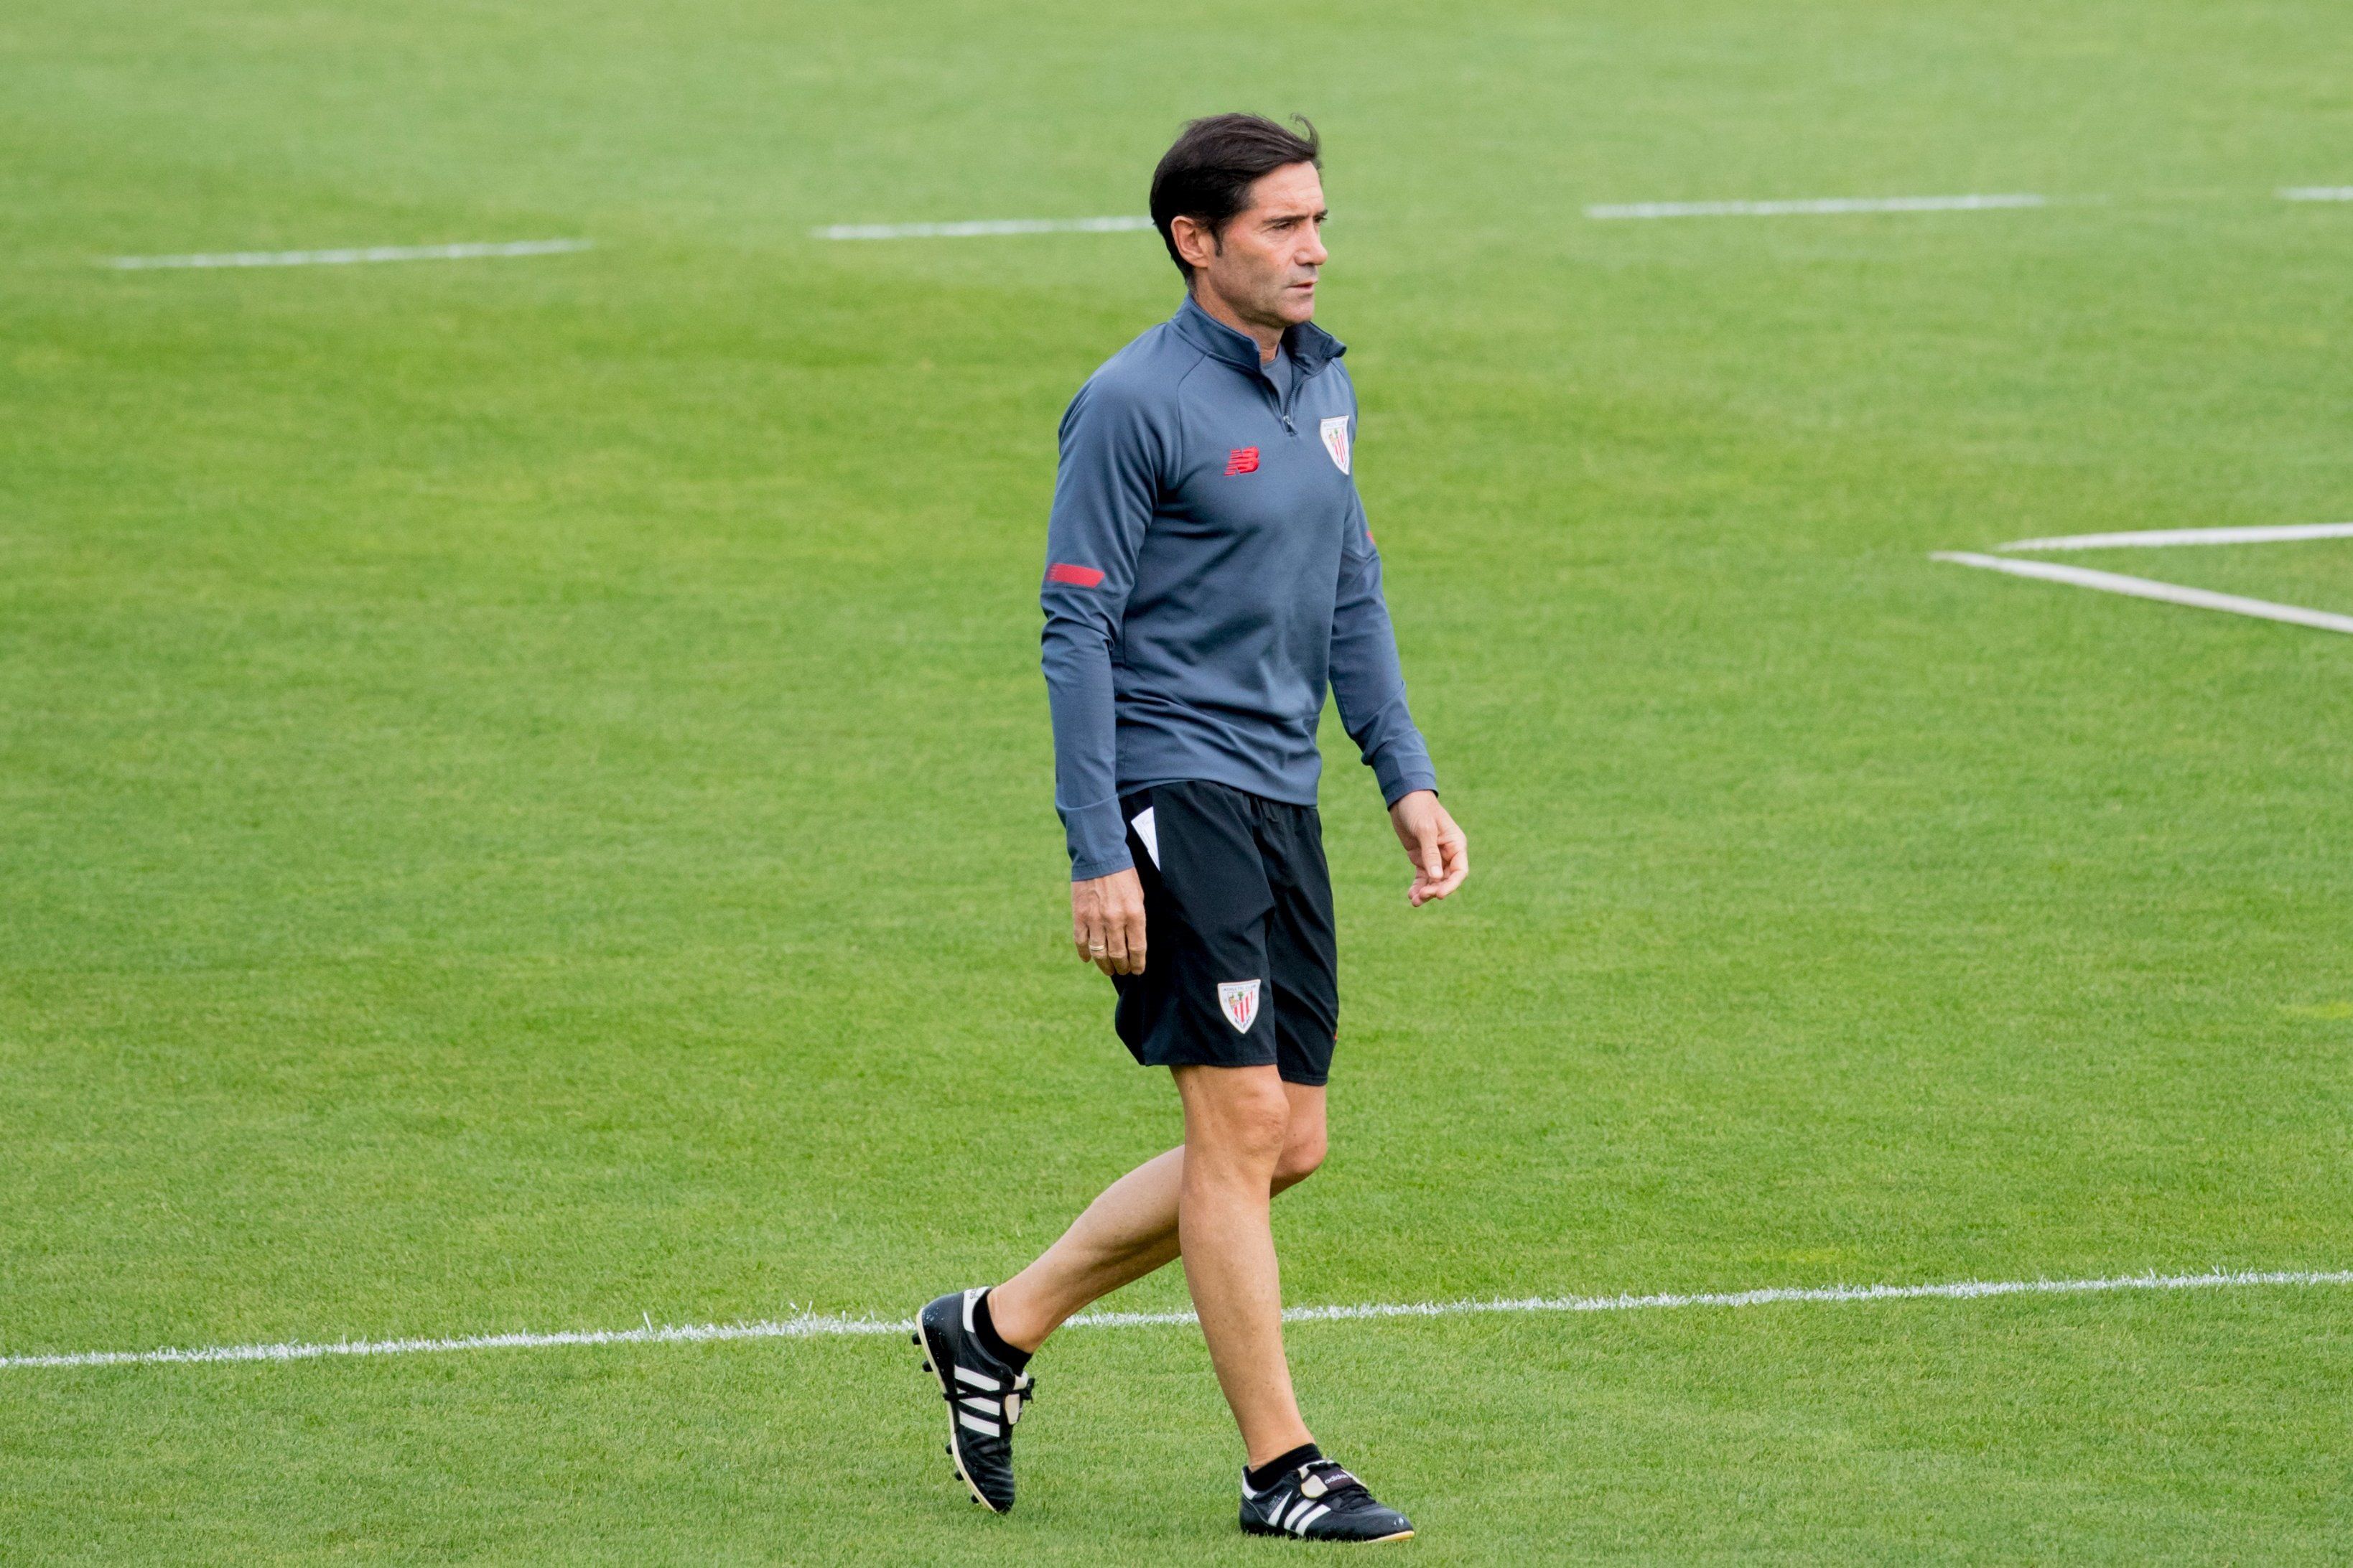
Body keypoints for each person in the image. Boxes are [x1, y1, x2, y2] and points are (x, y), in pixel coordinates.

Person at [916, 112, 1468, 1544]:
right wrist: (1096, 842)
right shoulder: (1132, 402)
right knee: (1232, 1124)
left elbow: (1350, 585)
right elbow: (1073, 622)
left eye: (1318, 220)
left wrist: (1401, 777)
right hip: (1175, 789)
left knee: (1289, 1140)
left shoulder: (1322, 384)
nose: (1314, 249)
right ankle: (1279, 1465)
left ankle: (997, 1326)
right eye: (1282, 225)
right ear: (1195, 240)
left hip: (1279, 789)